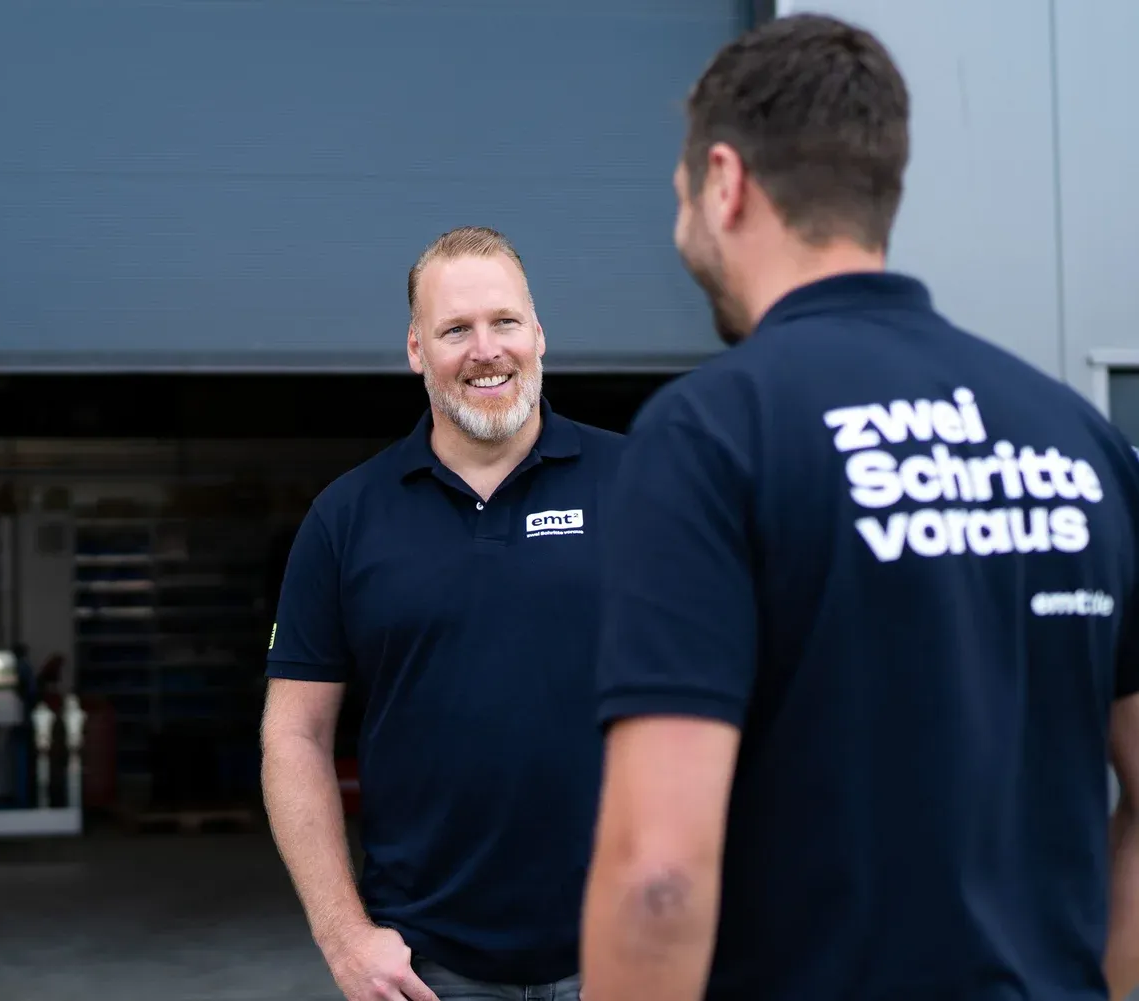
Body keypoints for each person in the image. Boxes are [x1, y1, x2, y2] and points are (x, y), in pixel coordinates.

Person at [579, 13, 1139, 1001]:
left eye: (680, 198)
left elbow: (657, 878)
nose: (680, 227)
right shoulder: (1075, 439)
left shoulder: (714, 433)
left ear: (725, 181)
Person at [261, 226, 624, 1001]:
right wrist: (344, 934)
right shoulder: (346, 518)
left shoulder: (644, 484)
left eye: (505, 322)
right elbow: (294, 734)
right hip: (428, 973)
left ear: (540, 335)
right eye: (455, 329)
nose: (485, 349)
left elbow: (733, 693)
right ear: (417, 350)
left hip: (626, 958)